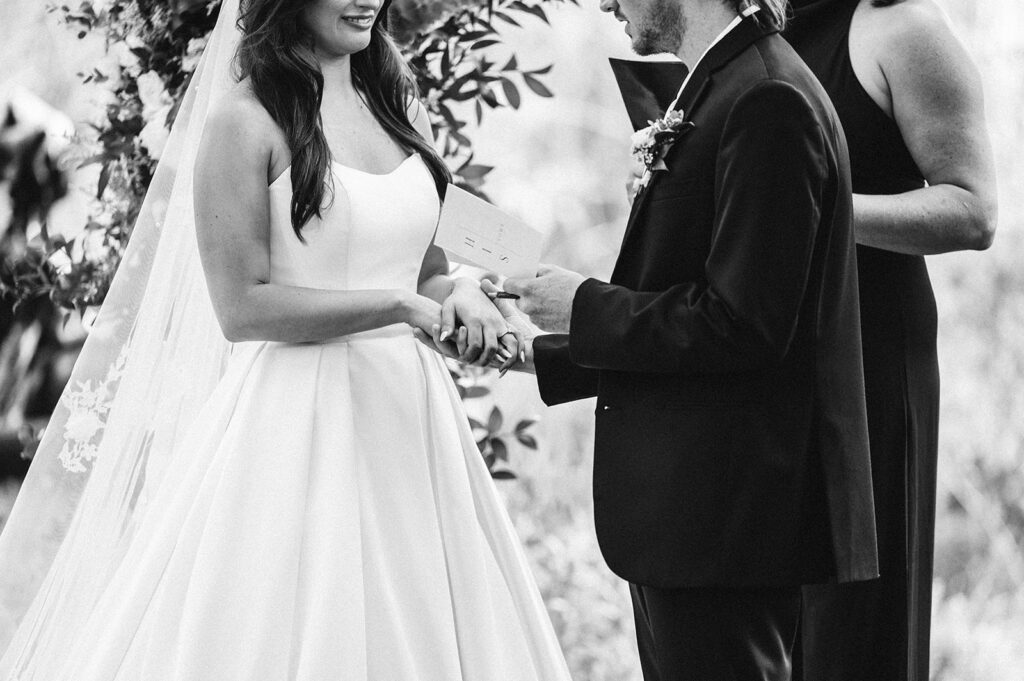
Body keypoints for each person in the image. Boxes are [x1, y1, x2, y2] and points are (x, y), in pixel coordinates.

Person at [0, 1, 573, 679]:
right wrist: (401, 307)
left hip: (412, 422)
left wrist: (466, 294)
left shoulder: (397, 103)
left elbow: (432, 272)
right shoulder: (243, 121)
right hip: (298, 421)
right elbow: (242, 306)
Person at [421, 0, 880, 678]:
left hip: (727, 520)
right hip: (700, 521)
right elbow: (684, 308)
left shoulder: (770, 99)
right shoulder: (727, 85)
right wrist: (530, 349)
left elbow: (742, 326)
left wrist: (582, 306)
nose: (605, 3)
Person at [783, 2, 998, 680]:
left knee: (860, 625)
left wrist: (816, 208)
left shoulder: (904, 29)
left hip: (871, 353)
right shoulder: (760, 25)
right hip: (768, 352)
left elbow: (972, 209)